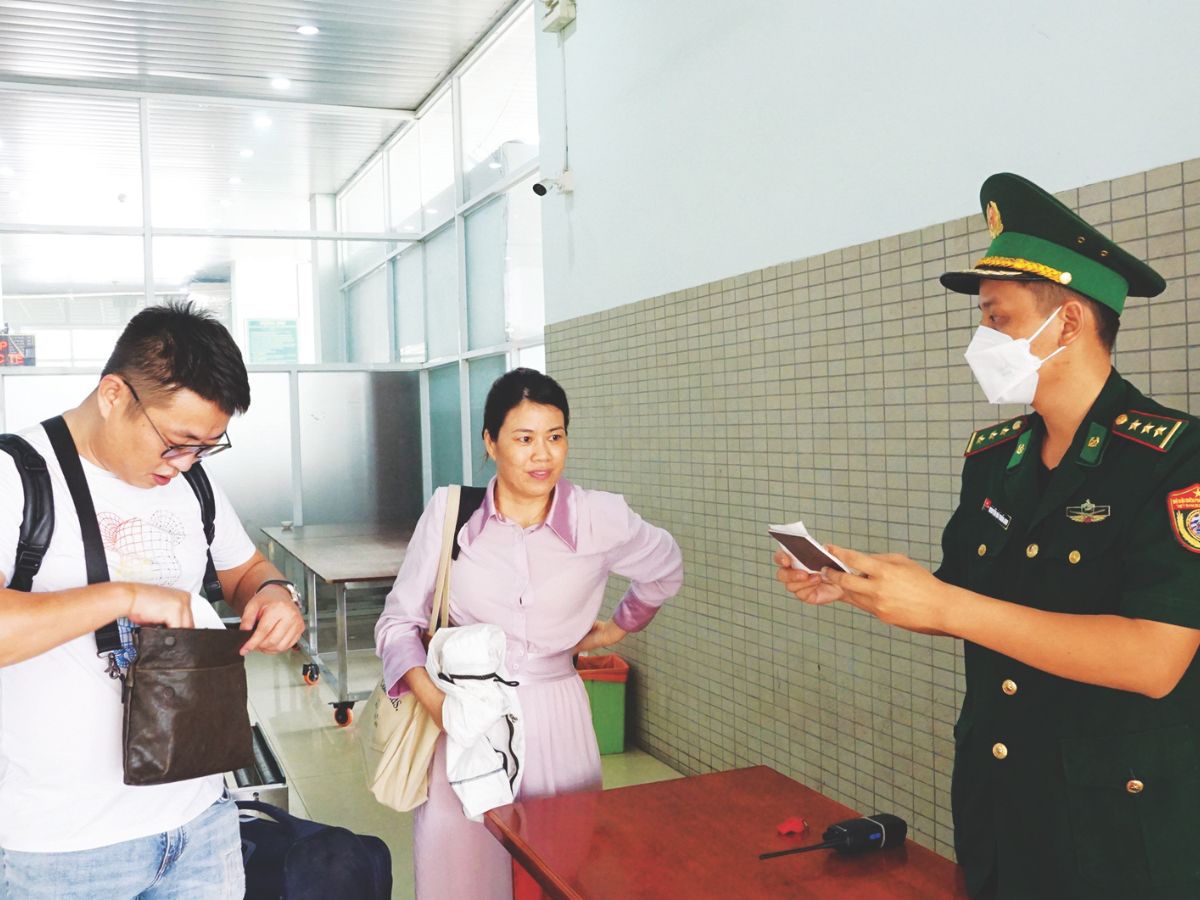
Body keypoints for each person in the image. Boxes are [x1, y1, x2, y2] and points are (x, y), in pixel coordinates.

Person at [775, 173, 1200, 899]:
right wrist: (867, 582)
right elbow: (967, 601)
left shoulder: (1173, 458)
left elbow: (1156, 659)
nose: (984, 339)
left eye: (998, 319)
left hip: (1115, 833)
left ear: (1067, 323)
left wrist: (946, 608)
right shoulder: (995, 457)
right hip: (1003, 805)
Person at [0, 302, 306, 899]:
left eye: (205, 447)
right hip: (63, 848)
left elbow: (245, 567)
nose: (185, 462)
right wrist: (123, 597)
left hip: (201, 824)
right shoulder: (17, 476)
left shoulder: (190, 479)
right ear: (114, 394)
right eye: (176, 441)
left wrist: (274, 594)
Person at [376, 367, 684, 899]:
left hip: (556, 715)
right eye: (524, 438)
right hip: (465, 721)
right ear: (490, 442)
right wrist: (440, 708)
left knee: (558, 871)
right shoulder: (451, 513)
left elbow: (665, 567)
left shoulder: (599, 516)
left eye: (555, 437)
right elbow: (397, 622)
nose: (542, 455)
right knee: (463, 871)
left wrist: (615, 629)